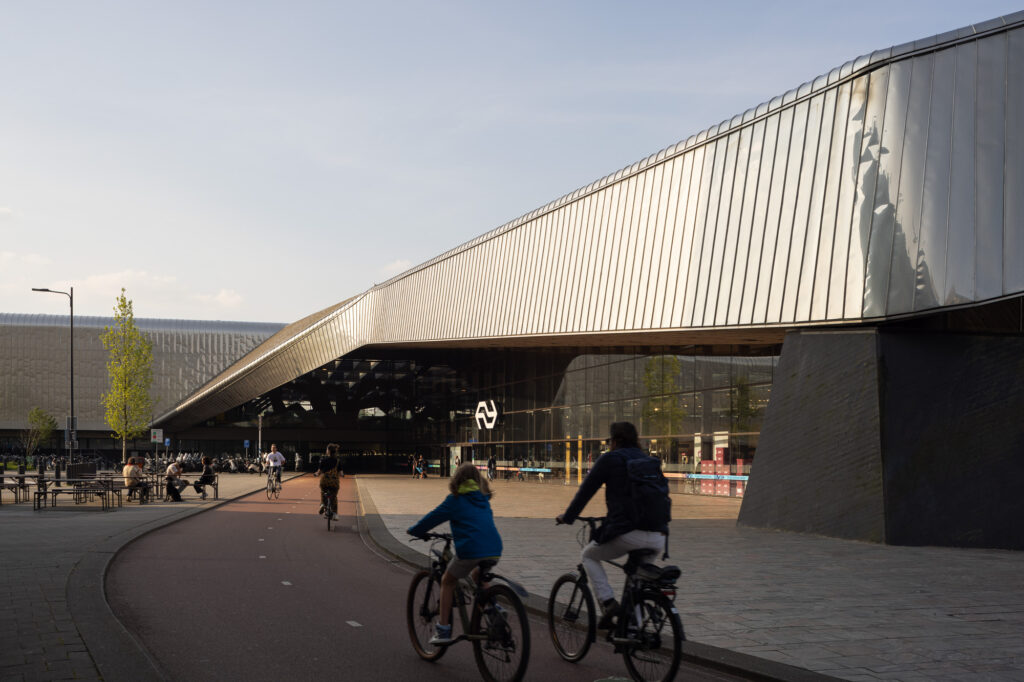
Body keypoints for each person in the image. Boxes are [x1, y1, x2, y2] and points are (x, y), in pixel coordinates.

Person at [556, 421, 668, 628]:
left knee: (588, 555)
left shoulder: (611, 459)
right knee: (636, 578)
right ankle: (634, 631)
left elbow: (585, 492)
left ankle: (607, 603)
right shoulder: (648, 460)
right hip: (659, 535)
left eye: (610, 441)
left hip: (628, 532)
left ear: (615, 441)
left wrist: (568, 517)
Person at [407, 462, 503, 645]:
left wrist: (415, 530)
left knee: (447, 581)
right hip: (494, 549)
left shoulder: (455, 500)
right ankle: (495, 608)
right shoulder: (483, 498)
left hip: (471, 550)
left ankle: (443, 630)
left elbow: (432, 518)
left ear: (457, 479)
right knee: (478, 576)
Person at [316, 443, 341, 521]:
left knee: (323, 491)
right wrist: (342, 475)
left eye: (327, 449)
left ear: (329, 451)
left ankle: (323, 504)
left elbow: (319, 471)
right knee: (334, 496)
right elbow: (341, 472)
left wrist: (316, 474)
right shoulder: (337, 461)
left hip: (325, 481)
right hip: (334, 482)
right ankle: (335, 514)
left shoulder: (324, 460)